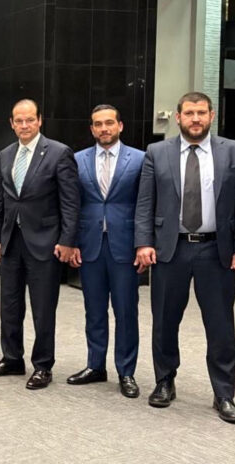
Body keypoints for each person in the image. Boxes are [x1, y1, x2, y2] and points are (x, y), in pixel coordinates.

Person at [135, 91, 235, 424]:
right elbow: (145, 203)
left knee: (220, 325)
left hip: (215, 251)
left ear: (212, 115)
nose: (195, 119)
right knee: (164, 320)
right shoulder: (156, 153)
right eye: (189, 113)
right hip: (169, 250)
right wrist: (143, 243)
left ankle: (224, 393)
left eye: (201, 113)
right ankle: (164, 380)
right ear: (178, 117)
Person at [0, 99, 79, 390]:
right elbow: (0, 201)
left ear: (40, 121)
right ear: (11, 123)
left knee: (42, 308)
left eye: (29, 120)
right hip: (12, 242)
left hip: (46, 243)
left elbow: (70, 202)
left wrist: (66, 240)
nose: (24, 125)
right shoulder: (5, 154)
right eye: (18, 121)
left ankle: (42, 365)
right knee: (10, 305)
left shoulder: (59, 153)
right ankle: (12, 358)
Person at [67, 105, 144, 398]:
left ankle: (126, 371)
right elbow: (73, 204)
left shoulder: (139, 159)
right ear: (91, 129)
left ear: (120, 126)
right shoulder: (77, 160)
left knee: (126, 311)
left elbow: (145, 204)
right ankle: (95, 365)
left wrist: (143, 243)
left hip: (124, 247)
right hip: (90, 247)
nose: (104, 128)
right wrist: (72, 241)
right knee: (94, 311)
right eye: (98, 124)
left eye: (109, 123)